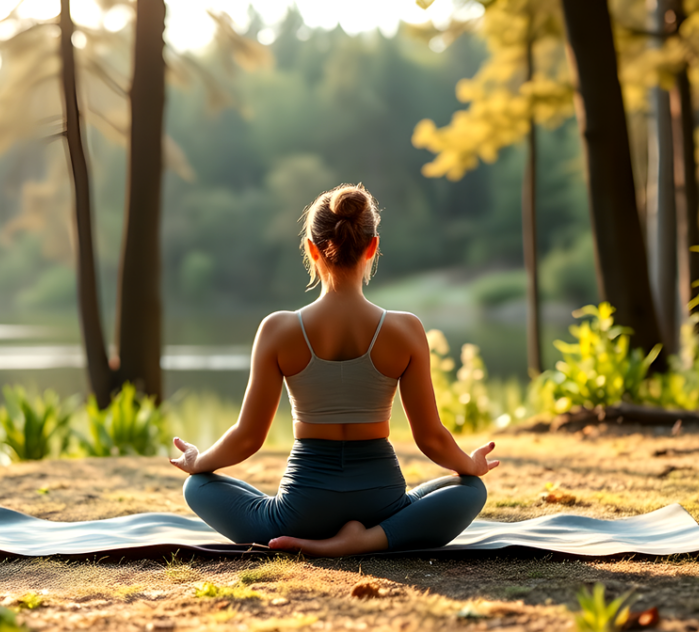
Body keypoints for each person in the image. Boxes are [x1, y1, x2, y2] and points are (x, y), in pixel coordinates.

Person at [169, 183, 500, 557]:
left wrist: (200, 461)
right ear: (373, 246)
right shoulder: (405, 329)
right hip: (380, 506)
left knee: (197, 486)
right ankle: (370, 540)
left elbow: (248, 437)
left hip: (301, 511)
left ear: (311, 249)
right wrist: (469, 464)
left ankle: (320, 540)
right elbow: (431, 438)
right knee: (470, 489)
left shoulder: (278, 329)